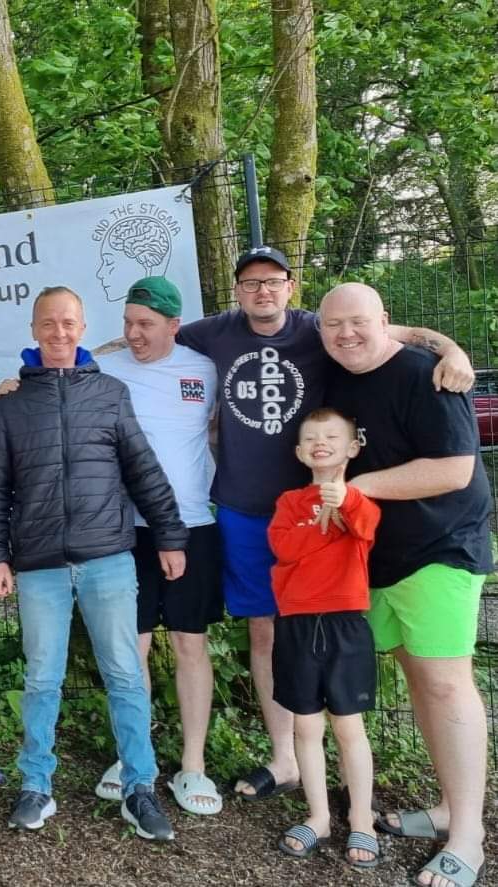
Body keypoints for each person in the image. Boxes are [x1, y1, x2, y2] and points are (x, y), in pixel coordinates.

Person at [167, 245, 473, 802]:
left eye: (273, 280)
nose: (262, 290)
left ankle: (347, 764)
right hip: (243, 510)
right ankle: (285, 759)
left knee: (329, 631)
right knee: (265, 630)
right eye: (251, 282)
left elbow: (399, 332)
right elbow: (147, 337)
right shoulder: (216, 332)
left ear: (291, 286)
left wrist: (451, 348)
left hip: (321, 508)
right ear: (237, 291)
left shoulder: (322, 328)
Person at [0, 285, 186, 841]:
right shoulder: (11, 405)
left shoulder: (111, 394)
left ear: (83, 327)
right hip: (39, 566)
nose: (59, 332)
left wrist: (170, 536)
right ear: (34, 329)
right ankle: (35, 786)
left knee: (125, 675)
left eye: (68, 322)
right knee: (41, 678)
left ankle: (140, 789)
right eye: (49, 323)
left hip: (108, 559)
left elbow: (144, 471)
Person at [321, 283, 491, 887]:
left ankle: (468, 838)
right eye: (333, 324)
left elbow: (454, 468)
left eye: (358, 322)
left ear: (384, 321)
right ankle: (447, 809)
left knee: (445, 682)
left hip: (442, 546)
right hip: (377, 556)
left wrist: (356, 489)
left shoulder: (426, 375)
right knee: (420, 678)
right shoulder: (335, 372)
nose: (346, 334)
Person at [91, 277, 224, 817]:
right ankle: (133, 758)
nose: (133, 334)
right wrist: (14, 383)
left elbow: (220, 431)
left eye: (145, 324)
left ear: (174, 326)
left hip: (192, 526)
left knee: (190, 644)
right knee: (133, 647)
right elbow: (52, 379)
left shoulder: (205, 369)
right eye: (127, 323)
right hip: (127, 529)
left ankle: (193, 765)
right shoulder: (104, 367)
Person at [268, 407, 382, 869]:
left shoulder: (362, 500)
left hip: (345, 622)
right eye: (312, 437)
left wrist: (343, 506)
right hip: (296, 622)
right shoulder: (288, 502)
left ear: (352, 447)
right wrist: (327, 527)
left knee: (349, 727)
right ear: (299, 451)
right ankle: (318, 817)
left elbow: (364, 528)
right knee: (306, 725)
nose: (321, 443)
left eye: (332, 436)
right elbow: (284, 548)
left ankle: (361, 818)